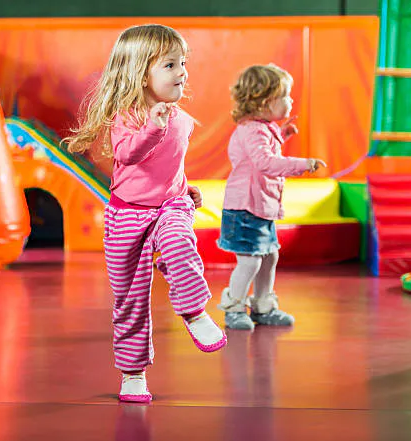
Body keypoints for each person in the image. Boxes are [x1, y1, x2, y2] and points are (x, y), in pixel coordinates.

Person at [65, 24, 227, 403]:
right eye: (170, 65)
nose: (182, 72)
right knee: (129, 299)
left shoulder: (180, 118)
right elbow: (128, 156)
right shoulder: (130, 116)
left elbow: (167, 167)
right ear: (140, 73)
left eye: (183, 63)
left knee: (178, 243)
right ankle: (132, 373)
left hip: (170, 206)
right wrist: (153, 127)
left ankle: (194, 313)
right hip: (127, 215)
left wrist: (184, 188)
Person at [217, 64, 326, 331]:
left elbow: (263, 155)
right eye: (286, 96)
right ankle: (234, 306)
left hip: (260, 207)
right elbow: (265, 162)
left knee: (269, 256)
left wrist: (284, 135)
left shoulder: (262, 128)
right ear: (266, 102)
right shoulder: (253, 130)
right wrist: (302, 163)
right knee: (251, 260)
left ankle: (263, 305)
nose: (291, 100)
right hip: (245, 208)